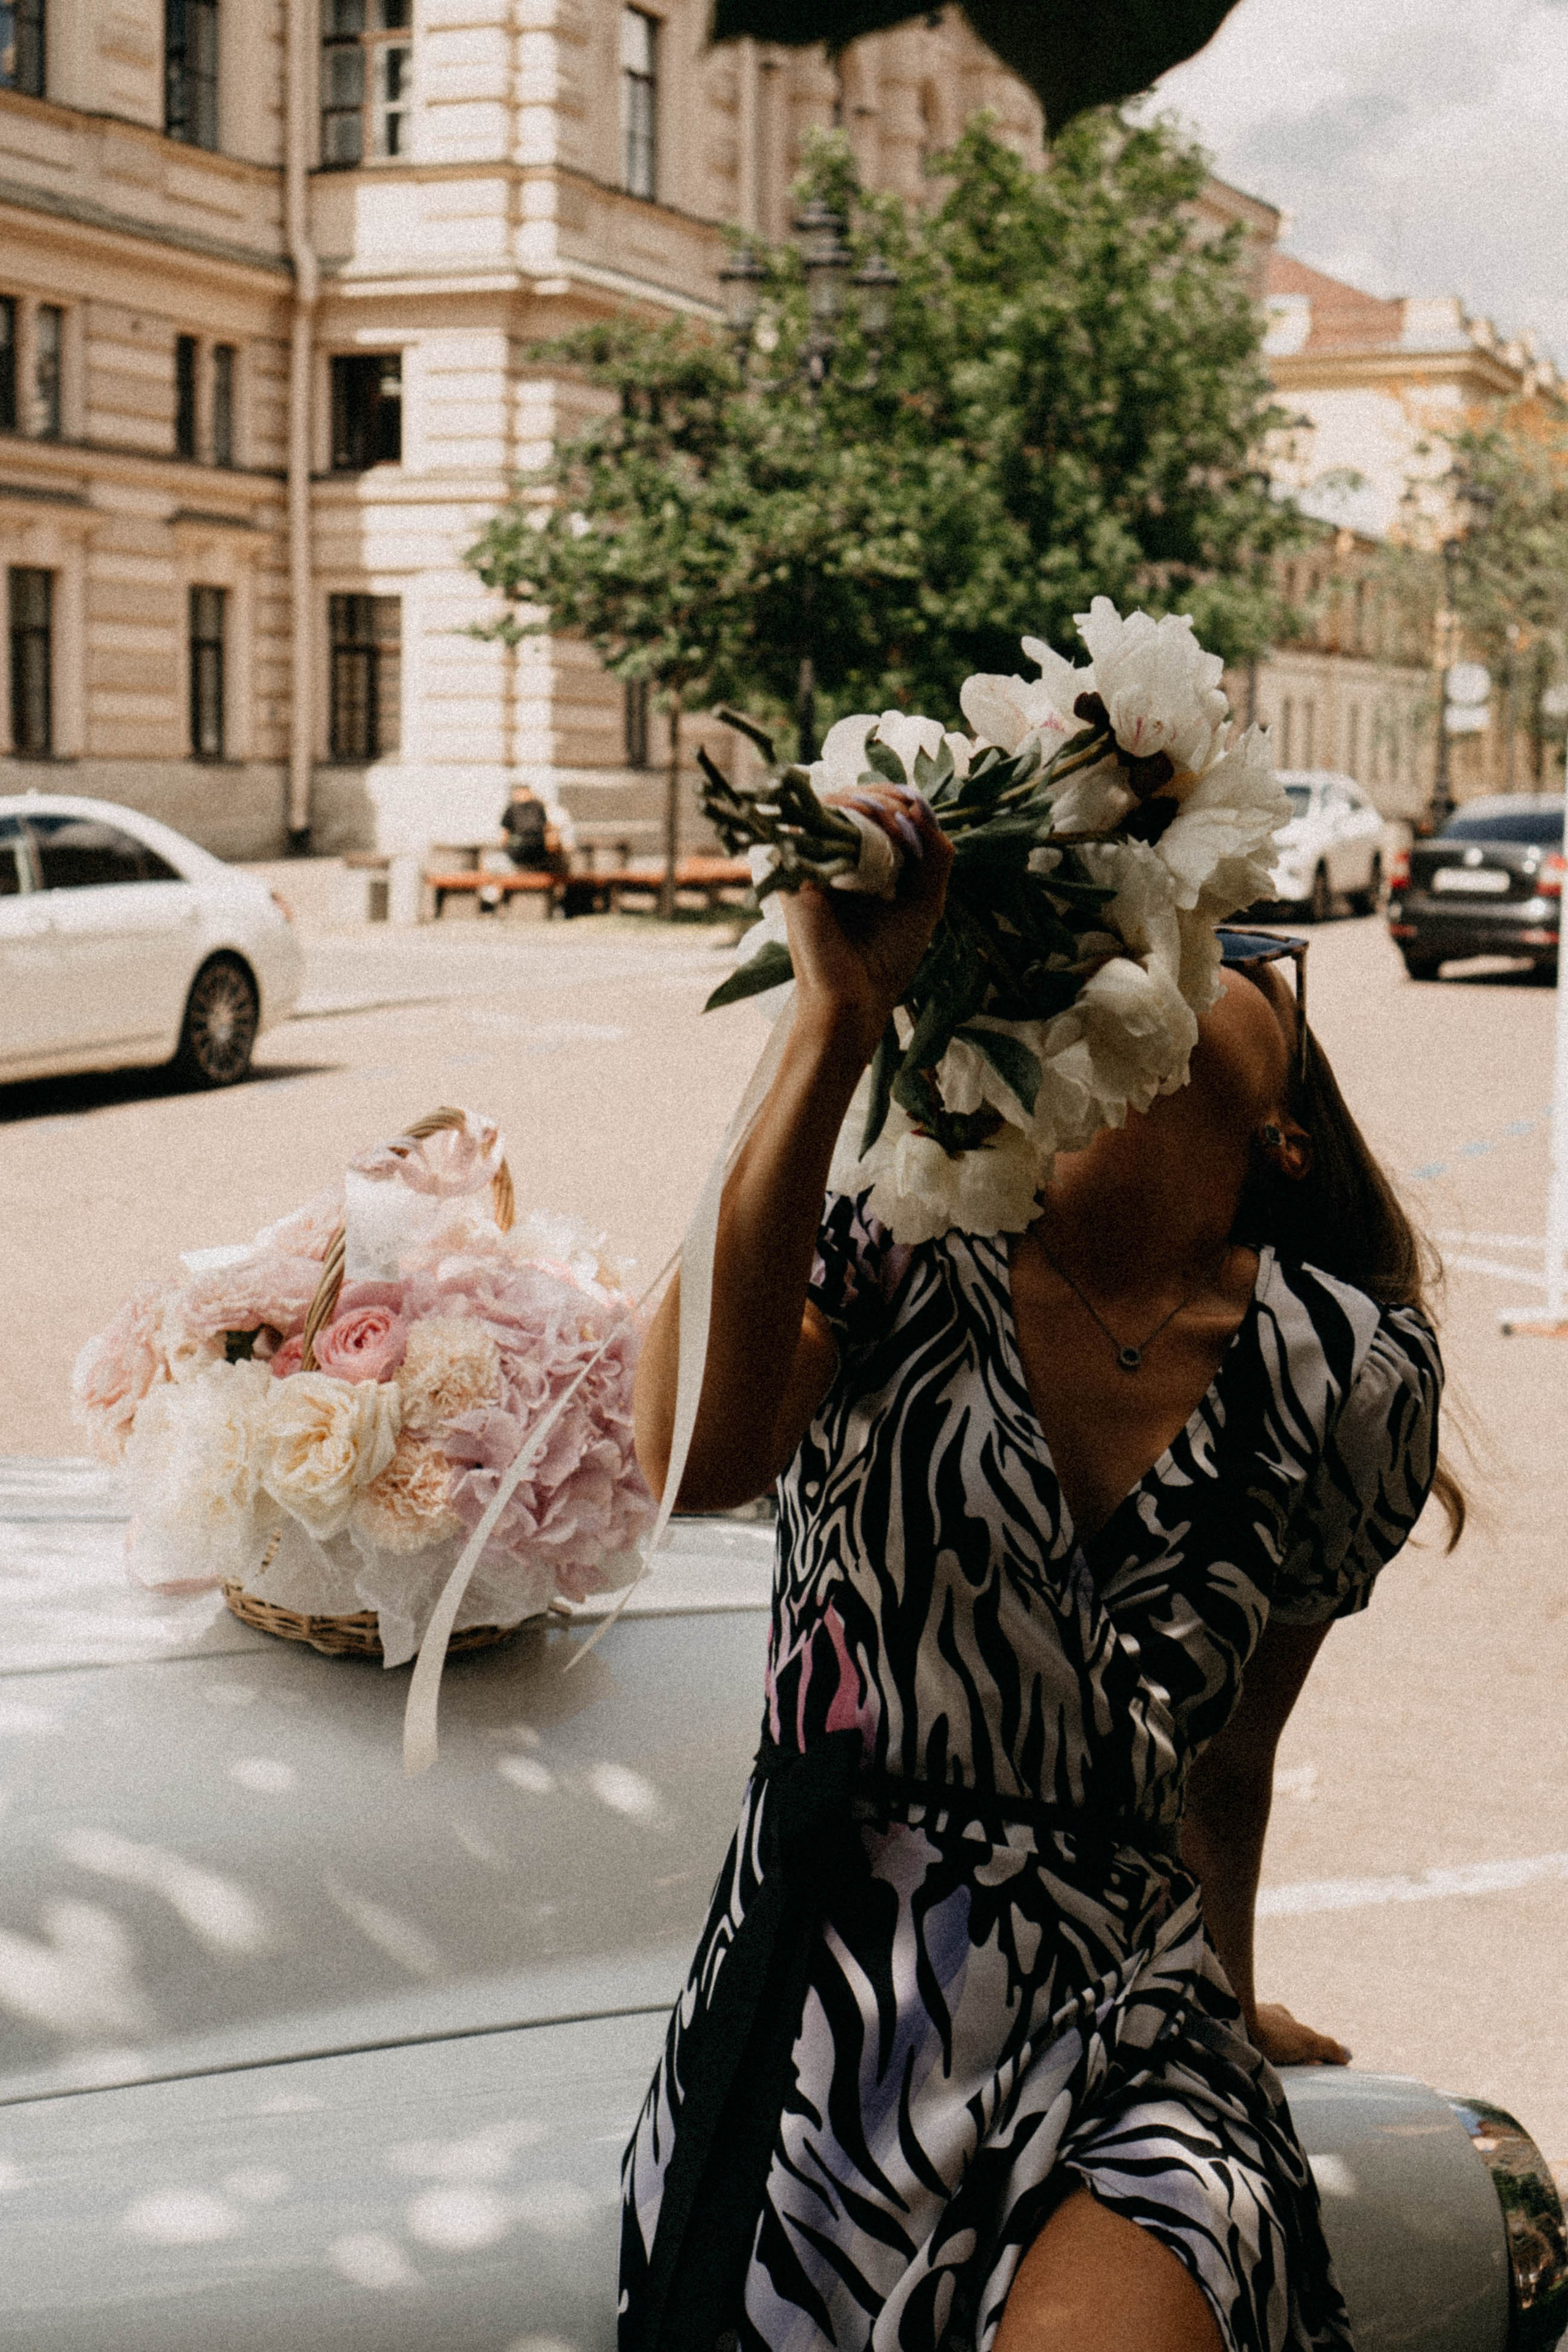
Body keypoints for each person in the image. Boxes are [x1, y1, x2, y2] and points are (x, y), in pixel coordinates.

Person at [622, 781, 1457, 2352]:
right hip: (827, 1999)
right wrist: (832, 1024)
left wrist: (1230, 1997)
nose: (1161, 937)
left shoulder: (1346, 1371)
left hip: (1131, 2013)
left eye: (1232, 939)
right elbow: (695, 1453)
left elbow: (1233, 1764)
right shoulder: (892, 1234)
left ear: (1282, 1127)